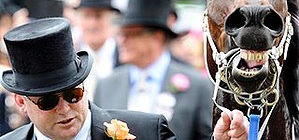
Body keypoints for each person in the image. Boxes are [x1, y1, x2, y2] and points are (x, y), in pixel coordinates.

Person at [0, 17, 176, 140]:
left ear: (84, 86)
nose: (64, 108)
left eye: (73, 94)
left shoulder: (149, 132)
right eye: (48, 101)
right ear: (21, 103)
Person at [93, 0, 213, 140]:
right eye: (121, 34)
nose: (121, 40)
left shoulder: (198, 86)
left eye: (131, 34)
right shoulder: (107, 85)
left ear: (157, 37)